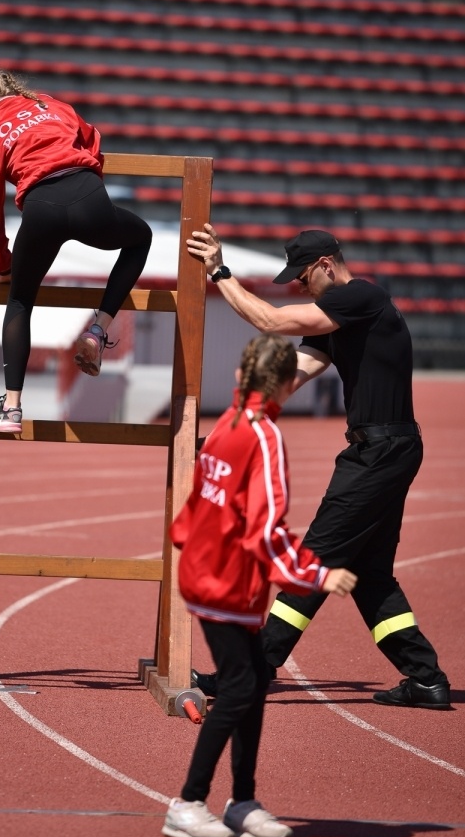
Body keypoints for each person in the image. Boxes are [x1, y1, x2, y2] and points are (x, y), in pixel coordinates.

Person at [186, 224, 451, 710]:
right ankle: (425, 678)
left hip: (380, 452)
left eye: (305, 279)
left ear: (327, 265)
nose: (301, 289)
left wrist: (219, 273)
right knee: (370, 574)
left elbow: (270, 320)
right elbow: (286, 384)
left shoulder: (360, 297)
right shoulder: (341, 324)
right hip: (383, 451)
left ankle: (248, 674)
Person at [163, 335, 357, 837]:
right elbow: (266, 530)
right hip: (225, 582)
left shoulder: (226, 423)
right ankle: (188, 801)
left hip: (210, 573)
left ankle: (242, 801)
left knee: (251, 683)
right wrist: (318, 575)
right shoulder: (263, 435)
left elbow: (204, 506)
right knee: (239, 690)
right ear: (287, 383)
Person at [0, 70, 152, 433]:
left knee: (20, 302)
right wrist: (90, 188)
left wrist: (2, 263)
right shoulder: (52, 104)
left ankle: (11, 408)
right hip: (87, 196)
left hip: (41, 208)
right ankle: (98, 331)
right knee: (140, 237)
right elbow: (93, 138)